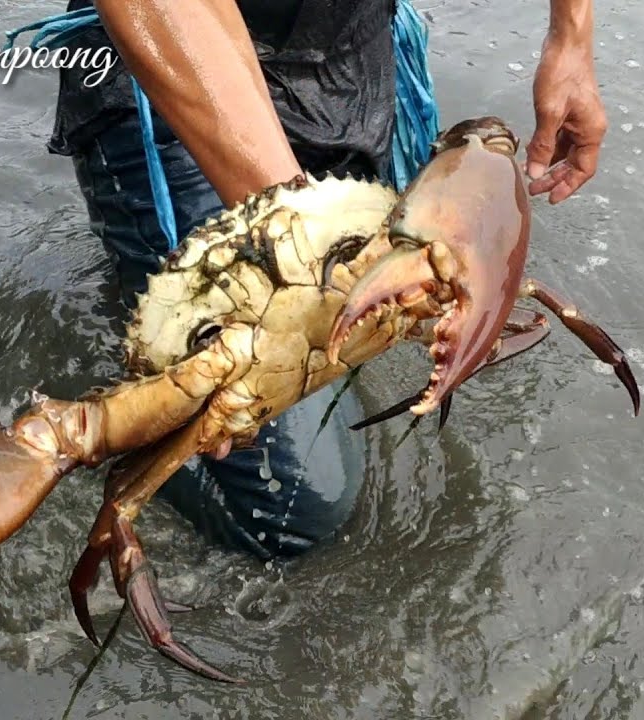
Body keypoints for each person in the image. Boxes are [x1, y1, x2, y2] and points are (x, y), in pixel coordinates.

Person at [43, 0, 608, 562]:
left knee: (374, 307)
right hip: (173, 55)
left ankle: (155, 301)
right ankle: (101, 419)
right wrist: (300, 247)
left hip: (347, 51)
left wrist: (571, 38)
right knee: (297, 513)